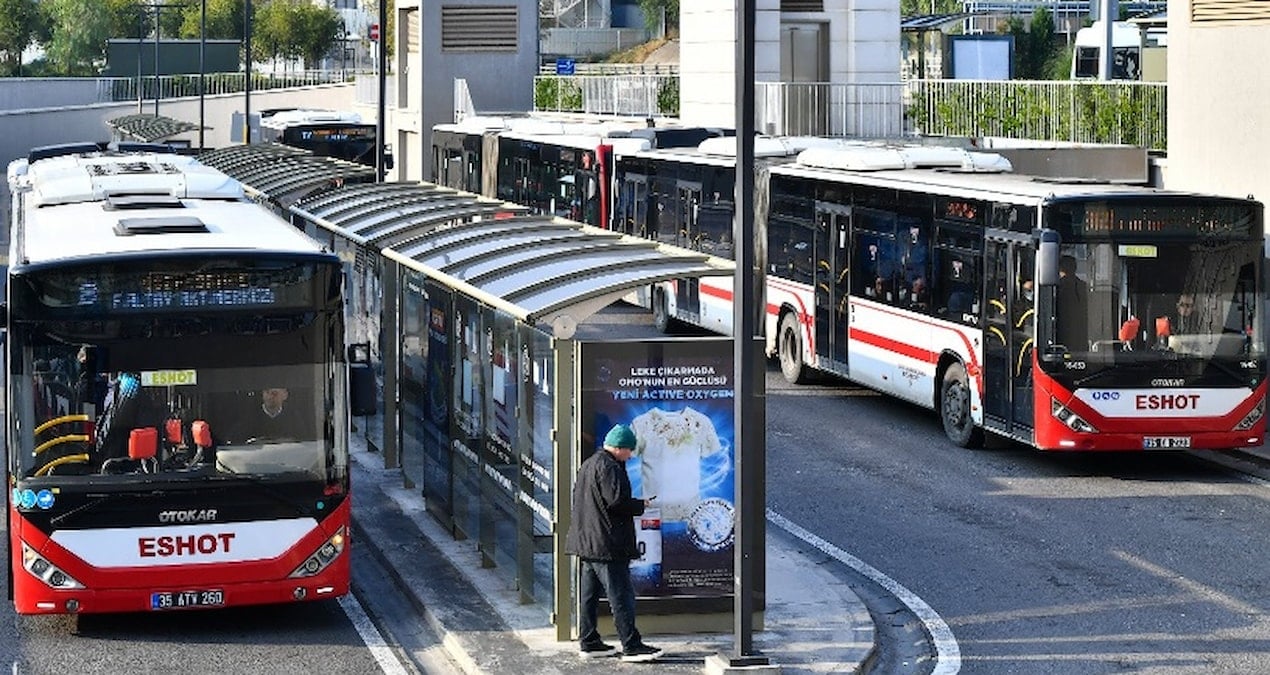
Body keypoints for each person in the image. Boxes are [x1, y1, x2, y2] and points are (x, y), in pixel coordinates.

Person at [564, 423, 663, 662]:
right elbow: (617, 501)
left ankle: (589, 641)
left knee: (588, 596)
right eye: (629, 450)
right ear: (619, 448)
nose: (630, 456)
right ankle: (631, 644)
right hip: (607, 544)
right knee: (621, 595)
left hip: (587, 542)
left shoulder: (588, 464)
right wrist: (642, 505)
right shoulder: (610, 468)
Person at [1056, 255, 1089, 350]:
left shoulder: (1056, 287)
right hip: (1081, 333)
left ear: (1059, 268)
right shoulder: (1083, 286)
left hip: (1061, 333)